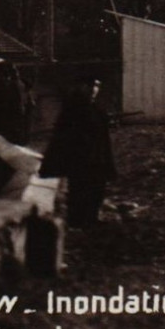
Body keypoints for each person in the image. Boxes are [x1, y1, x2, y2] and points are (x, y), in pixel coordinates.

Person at [39, 77, 116, 227]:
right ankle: (78, 221)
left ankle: (89, 219)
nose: (94, 90)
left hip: (95, 158)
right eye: (91, 85)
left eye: (97, 86)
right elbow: (67, 136)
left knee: (95, 190)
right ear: (81, 86)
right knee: (81, 191)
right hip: (82, 159)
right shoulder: (75, 108)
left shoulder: (91, 107)